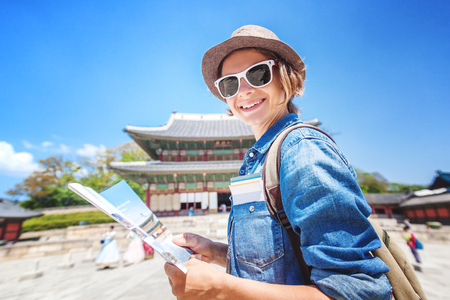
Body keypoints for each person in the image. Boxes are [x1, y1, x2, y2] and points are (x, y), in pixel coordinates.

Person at [164, 25, 392, 299]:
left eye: (257, 74)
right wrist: (214, 251)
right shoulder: (261, 159)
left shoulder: (303, 151)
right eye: (230, 83)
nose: (244, 91)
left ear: (286, 78)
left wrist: (222, 288)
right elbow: (281, 263)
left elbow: (358, 291)